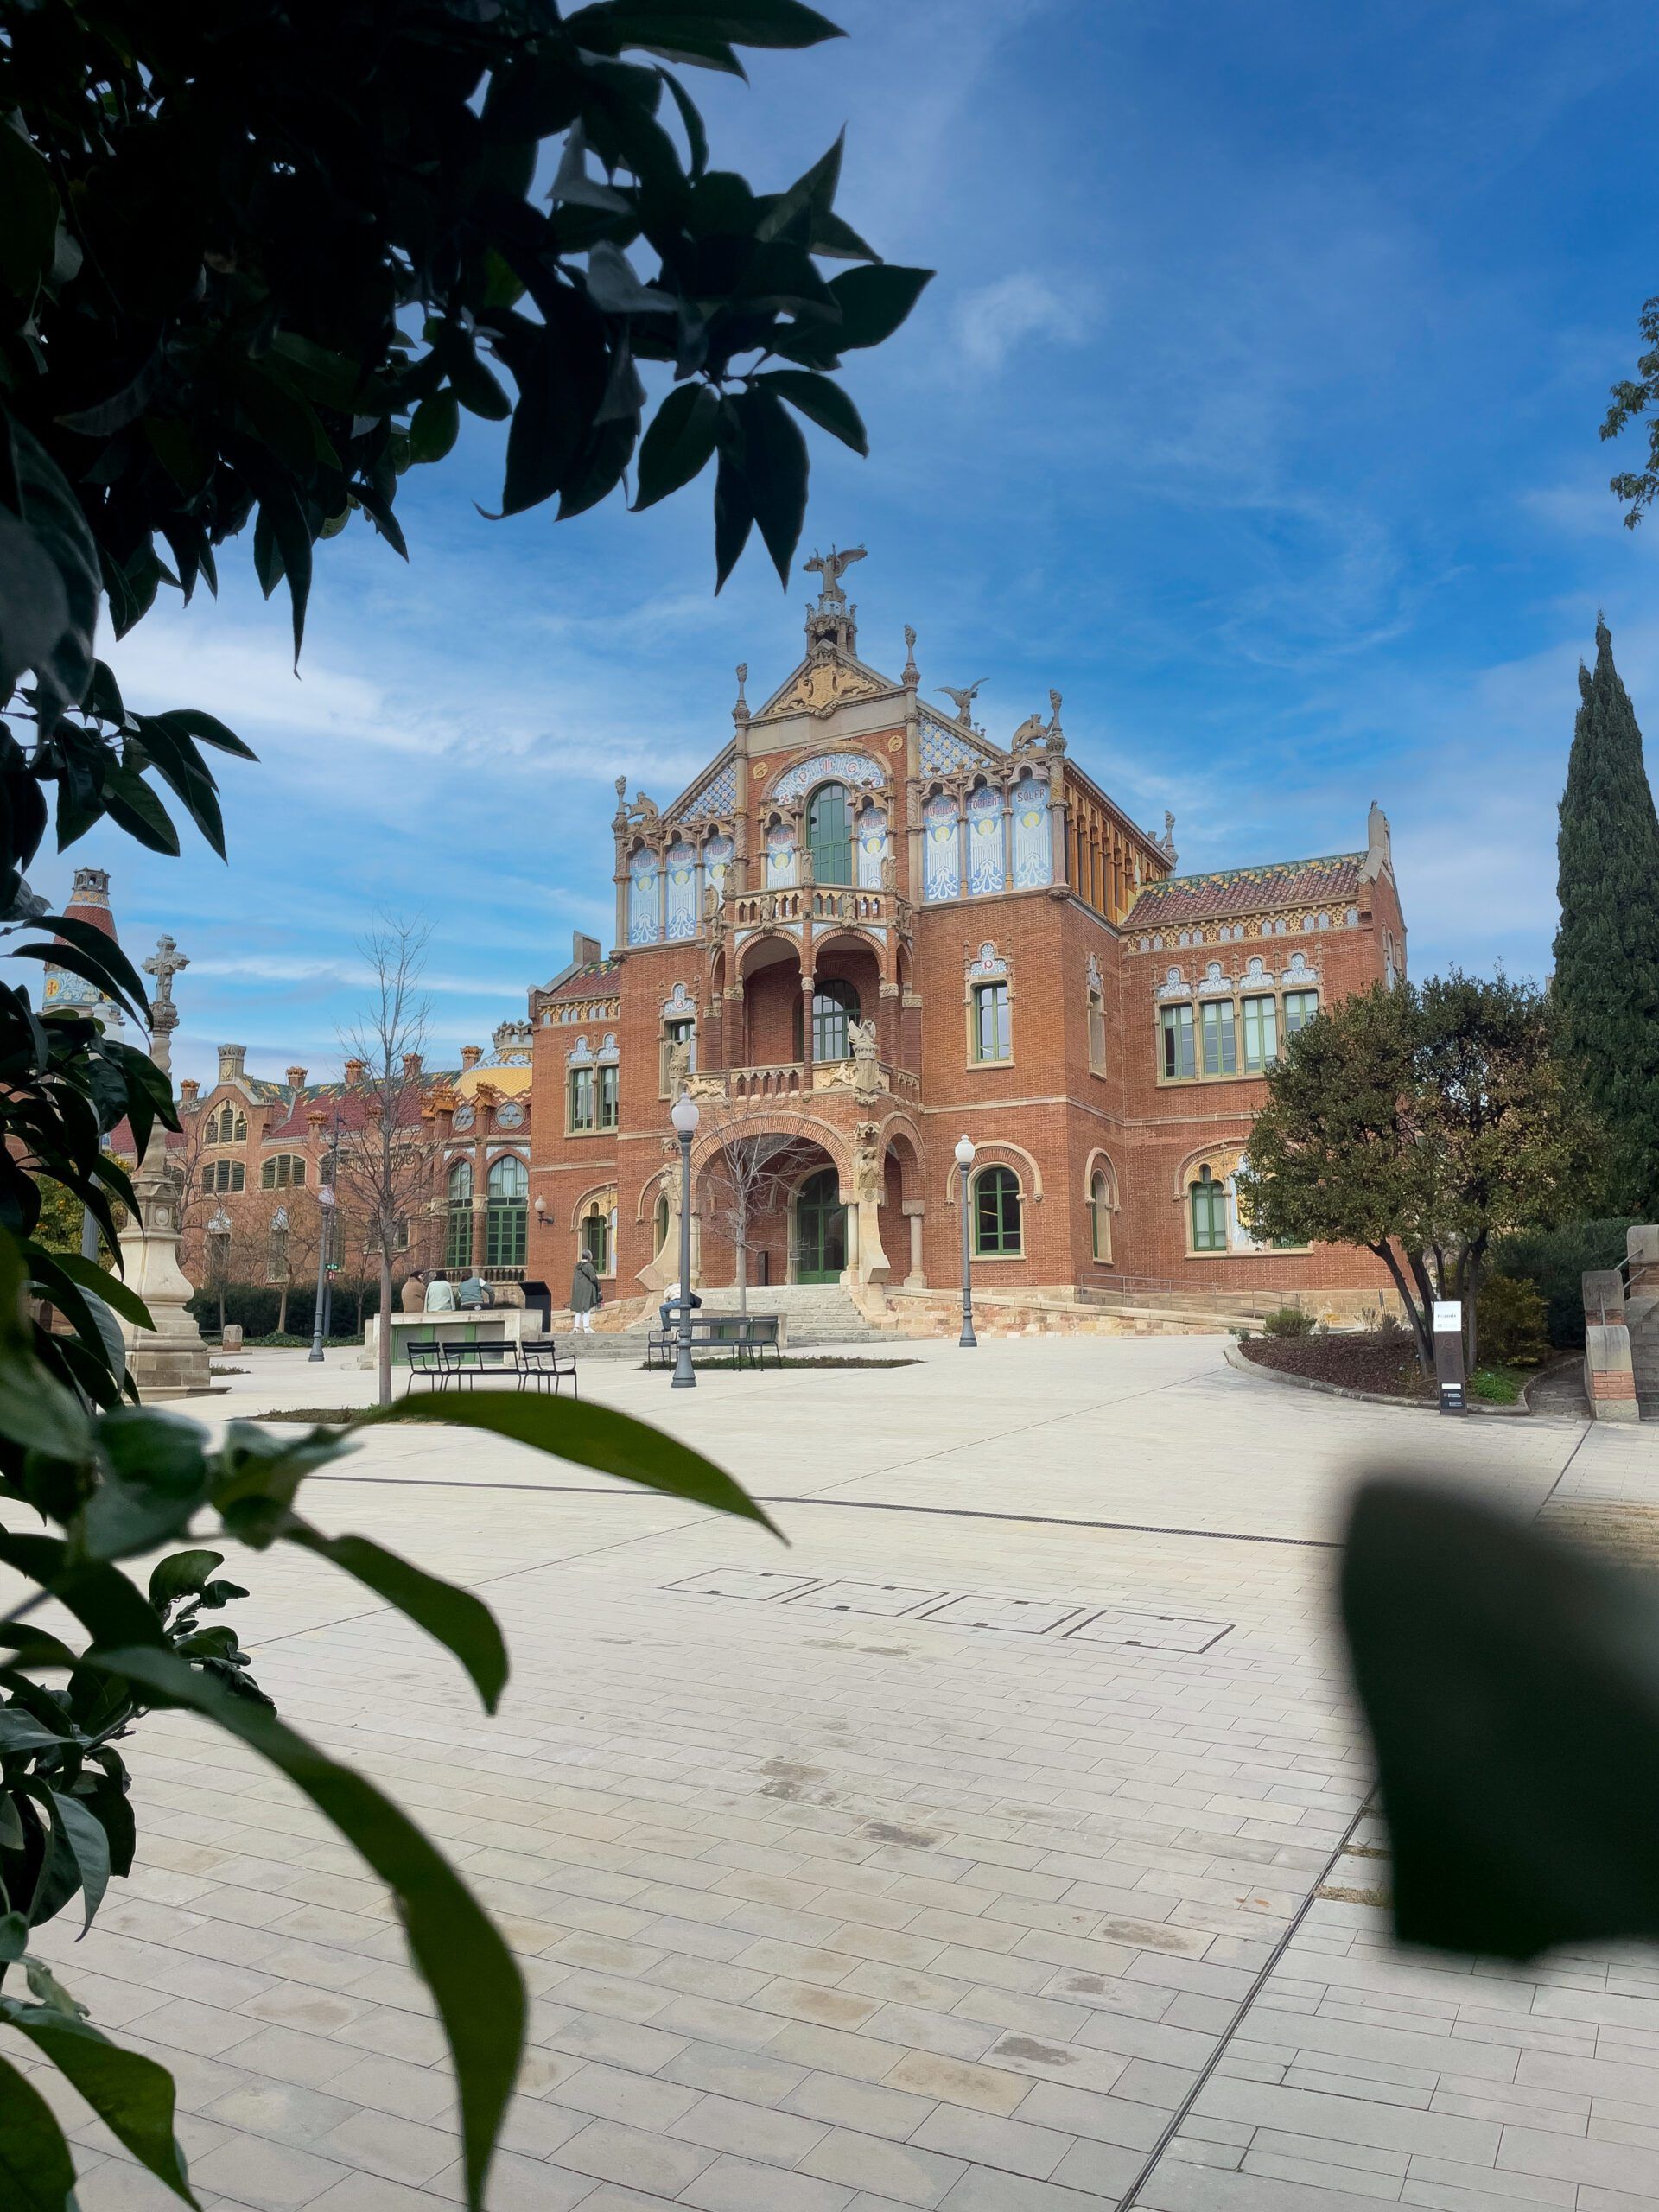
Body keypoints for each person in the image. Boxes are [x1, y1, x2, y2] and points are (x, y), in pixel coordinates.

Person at [569, 1252, 602, 1333]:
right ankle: (586, 1327)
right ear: (589, 1256)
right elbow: (593, 1278)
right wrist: (598, 1287)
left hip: (578, 1289)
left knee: (578, 1309)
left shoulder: (577, 1266)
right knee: (587, 1308)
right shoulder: (589, 1266)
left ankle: (576, 1327)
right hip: (587, 1289)